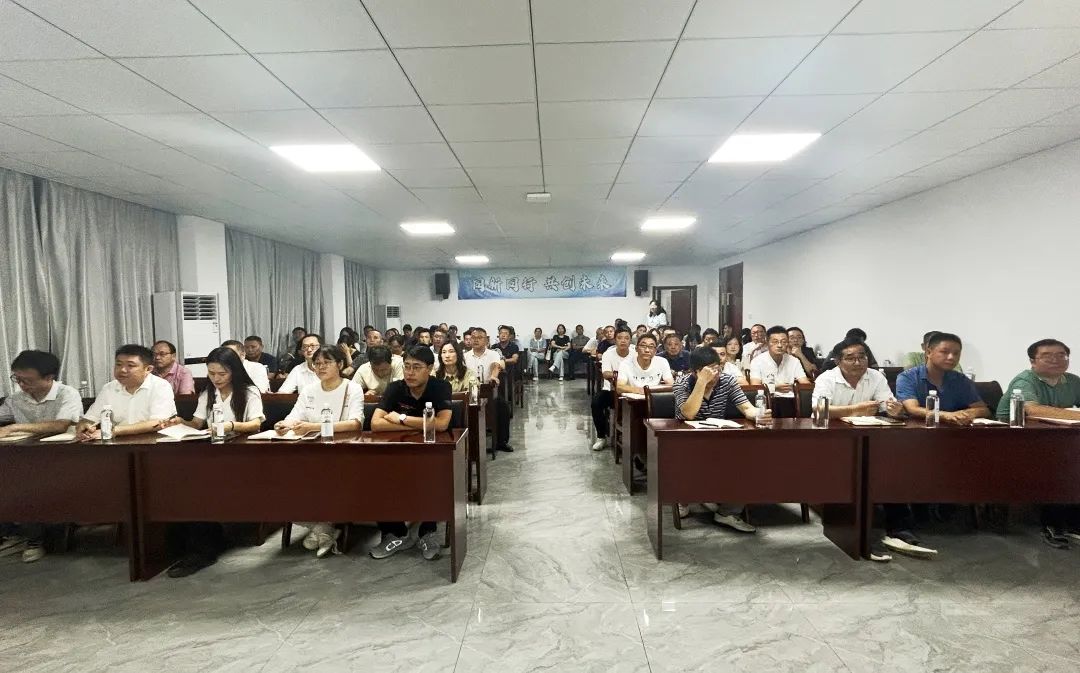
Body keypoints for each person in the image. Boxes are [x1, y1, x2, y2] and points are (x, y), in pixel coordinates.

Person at [158, 347, 264, 577]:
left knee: (198, 488)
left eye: (222, 374)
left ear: (234, 371)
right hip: (211, 455)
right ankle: (183, 546)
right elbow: (197, 423)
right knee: (176, 484)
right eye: (211, 373)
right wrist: (180, 422)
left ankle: (203, 551)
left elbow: (256, 424)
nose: (216, 378)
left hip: (241, 457)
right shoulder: (208, 393)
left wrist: (230, 425)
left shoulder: (248, 392)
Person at [892, 332, 988, 558]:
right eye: (945, 352)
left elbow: (982, 409)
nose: (951, 357)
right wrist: (946, 415)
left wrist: (968, 414)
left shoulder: (960, 380)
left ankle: (947, 505)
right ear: (928, 351)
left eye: (956, 353)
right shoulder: (909, 377)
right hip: (914, 441)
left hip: (952, 442)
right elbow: (912, 408)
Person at [276, 345, 365, 558]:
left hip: (342, 453)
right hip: (309, 452)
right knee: (280, 482)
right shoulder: (309, 390)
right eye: (317, 363)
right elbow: (294, 416)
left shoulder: (352, 388)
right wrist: (284, 424)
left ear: (340, 364)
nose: (321, 367)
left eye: (327, 362)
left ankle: (323, 527)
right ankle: (323, 529)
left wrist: (313, 427)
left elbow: (355, 423)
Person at [369, 346, 453, 562]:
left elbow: (441, 424)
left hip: (430, 454)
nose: (410, 372)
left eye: (416, 367)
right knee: (375, 477)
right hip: (397, 453)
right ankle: (395, 534)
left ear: (430, 368)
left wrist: (402, 418)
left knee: (433, 475)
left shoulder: (440, 387)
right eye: (407, 366)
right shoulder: (395, 388)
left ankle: (427, 533)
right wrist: (422, 425)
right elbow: (376, 424)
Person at [674, 347, 770, 533]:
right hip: (687, 441)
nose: (715, 374)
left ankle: (727, 512)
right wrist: (701, 382)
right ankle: (683, 498)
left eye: (717, 369)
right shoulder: (682, 383)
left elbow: (746, 408)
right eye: (709, 370)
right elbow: (689, 413)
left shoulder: (727, 380)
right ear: (695, 371)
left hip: (718, 439)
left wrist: (758, 414)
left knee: (750, 459)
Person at [0, 350, 83, 563]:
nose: (21, 385)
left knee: (27, 485)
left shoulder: (67, 394)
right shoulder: (16, 399)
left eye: (27, 380)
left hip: (64, 459)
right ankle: (11, 534)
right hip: (25, 458)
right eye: (17, 379)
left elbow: (61, 425)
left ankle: (33, 541)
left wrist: (15, 427)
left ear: (48, 377)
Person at [996, 339, 1080, 549]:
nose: (1056, 360)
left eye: (1061, 355)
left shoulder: (1072, 381)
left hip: (1056, 441)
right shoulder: (1025, 380)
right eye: (1047, 356)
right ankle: (1053, 524)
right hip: (1013, 442)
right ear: (1033, 361)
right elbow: (1033, 410)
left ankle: (1073, 521)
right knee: (1061, 465)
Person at [77, 345, 177, 441]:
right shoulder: (109, 388)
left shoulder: (160, 386)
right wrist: (85, 426)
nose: (122, 370)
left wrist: (114, 431)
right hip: (117, 444)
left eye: (130, 365)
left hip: (154, 443)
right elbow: (90, 418)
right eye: (118, 364)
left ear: (148, 369)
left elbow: (158, 423)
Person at [812, 337, 904, 419]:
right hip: (829, 429)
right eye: (850, 358)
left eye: (862, 357)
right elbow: (820, 410)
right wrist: (855, 410)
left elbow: (887, 407)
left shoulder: (876, 377)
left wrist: (894, 411)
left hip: (864, 430)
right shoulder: (826, 379)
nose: (857, 363)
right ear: (837, 362)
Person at [464, 327, 512, 452]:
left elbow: (496, 366)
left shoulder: (493, 354)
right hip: (471, 392)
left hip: (489, 390)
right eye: (473, 337)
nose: (476, 340)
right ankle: (471, 444)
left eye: (480, 337)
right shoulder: (465, 356)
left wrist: (493, 376)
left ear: (486, 340)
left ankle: (501, 442)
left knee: (503, 407)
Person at [590, 326, 633, 451]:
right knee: (596, 403)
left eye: (626, 338)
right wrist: (622, 375)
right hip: (611, 391)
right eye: (620, 338)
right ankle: (601, 437)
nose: (623, 341)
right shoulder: (608, 354)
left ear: (630, 340)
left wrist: (618, 375)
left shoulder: (636, 353)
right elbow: (606, 374)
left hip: (631, 390)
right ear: (615, 339)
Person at [749, 326, 811, 404]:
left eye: (784, 342)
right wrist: (774, 387)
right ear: (767, 343)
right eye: (775, 342)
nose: (780, 345)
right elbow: (755, 386)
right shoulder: (757, 361)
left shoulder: (794, 361)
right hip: (767, 399)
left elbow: (805, 384)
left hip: (791, 400)